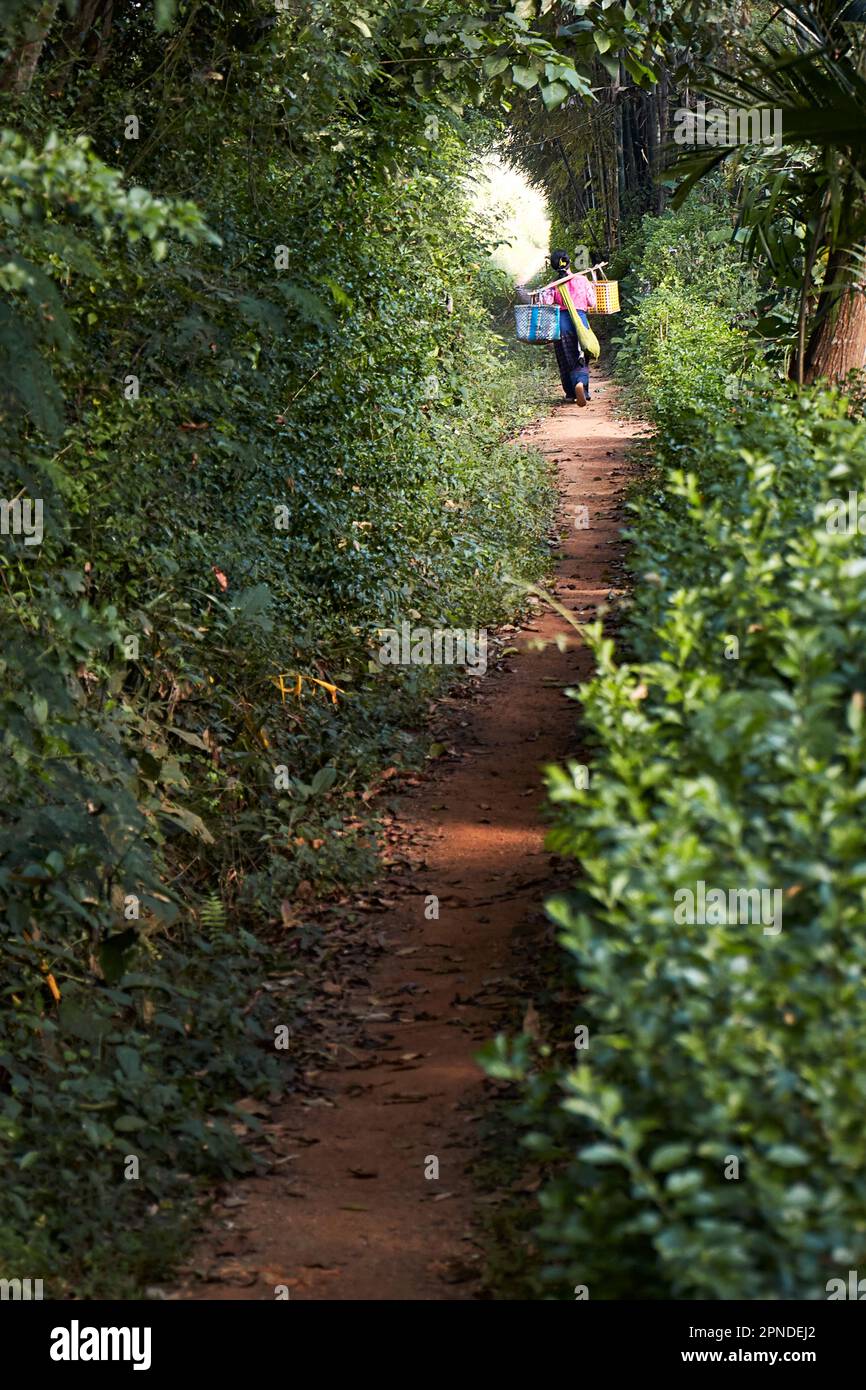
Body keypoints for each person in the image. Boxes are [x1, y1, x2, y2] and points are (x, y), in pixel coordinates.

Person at [540, 250, 597, 406]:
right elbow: (592, 303)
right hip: (581, 321)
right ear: (569, 262)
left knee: (565, 358)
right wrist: (592, 286)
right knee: (581, 355)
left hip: (562, 324)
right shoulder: (582, 280)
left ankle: (571, 393)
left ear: (554, 266)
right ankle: (582, 387)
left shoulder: (553, 286)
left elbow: (545, 303)